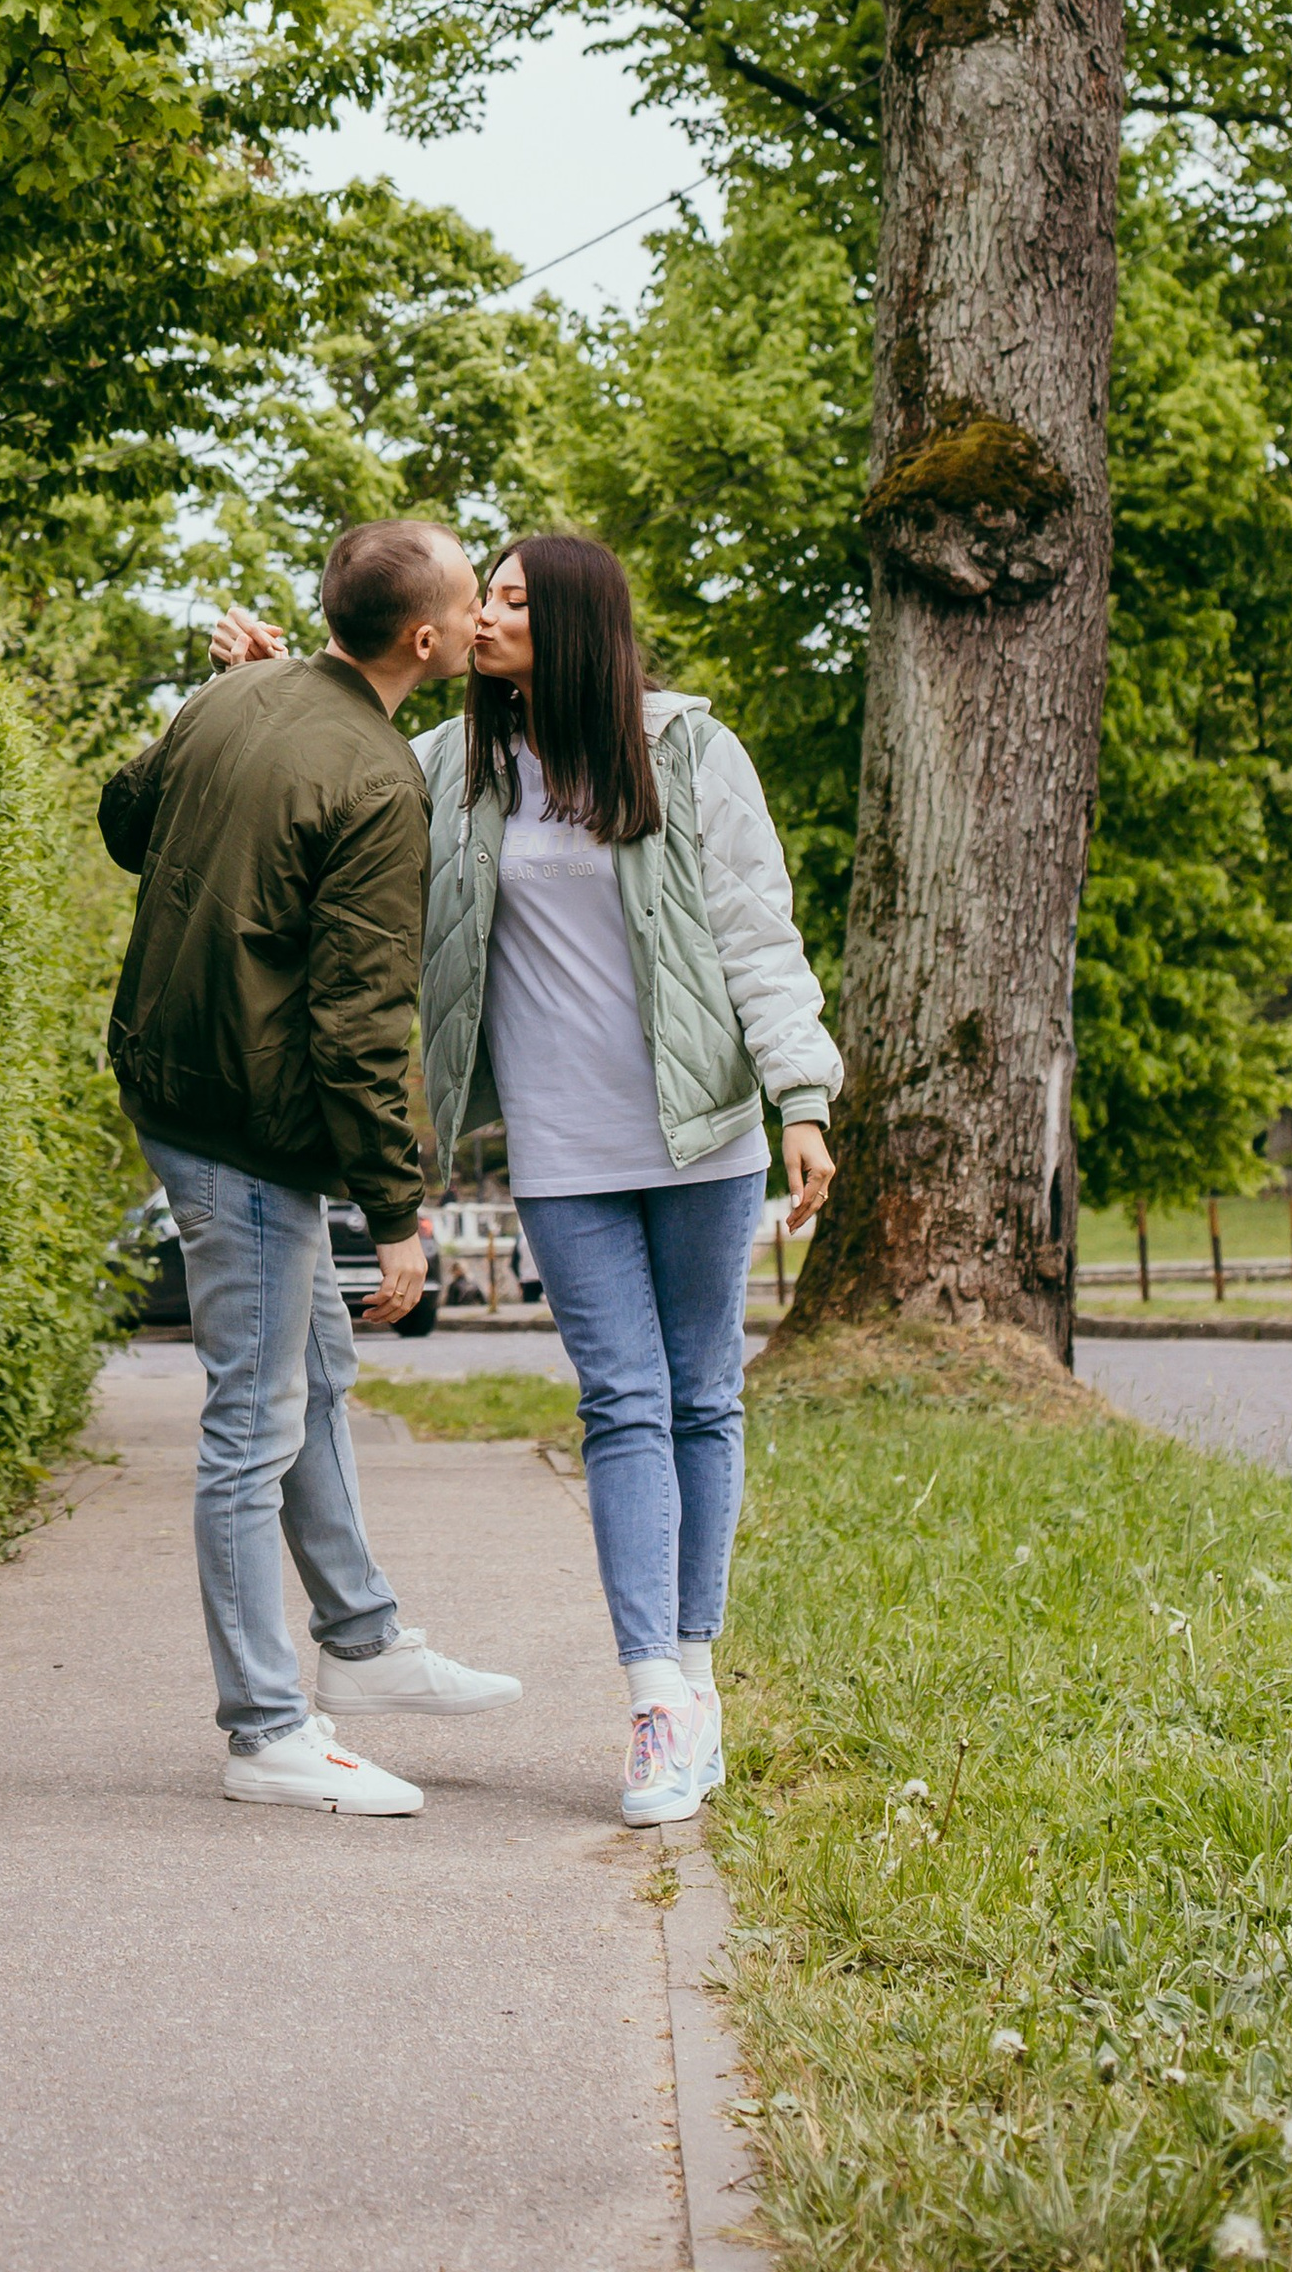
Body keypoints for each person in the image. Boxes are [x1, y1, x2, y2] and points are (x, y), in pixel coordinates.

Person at [214, 531, 841, 1832]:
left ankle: (699, 1671)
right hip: (566, 1152)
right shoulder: (453, 768)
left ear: (571, 620)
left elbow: (755, 930)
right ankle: (654, 1696)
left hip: (702, 1131)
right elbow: (331, 763)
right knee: (623, 1403)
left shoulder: (688, 751)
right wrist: (278, 681)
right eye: (479, 597)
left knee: (702, 1395)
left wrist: (802, 1095)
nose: (480, 619)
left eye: (506, 600)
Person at [101, 519, 525, 1818]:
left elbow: (126, 818)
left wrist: (234, 699)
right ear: (427, 637)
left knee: (314, 1364)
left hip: (180, 1082)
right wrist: (400, 1218)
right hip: (239, 1123)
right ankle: (268, 1728)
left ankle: (360, 1639)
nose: (475, 622)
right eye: (469, 602)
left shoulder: (240, 694)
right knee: (252, 1416)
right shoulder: (382, 779)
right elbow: (359, 1023)